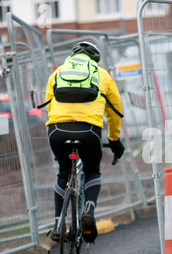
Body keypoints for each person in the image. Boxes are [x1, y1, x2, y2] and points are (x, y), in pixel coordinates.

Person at [44, 41, 124, 243]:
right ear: (94, 58)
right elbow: (115, 112)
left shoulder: (57, 73)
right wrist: (114, 140)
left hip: (57, 129)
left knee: (63, 171)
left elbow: (49, 106)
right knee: (92, 170)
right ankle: (88, 210)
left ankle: (57, 224)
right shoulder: (102, 74)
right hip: (89, 130)